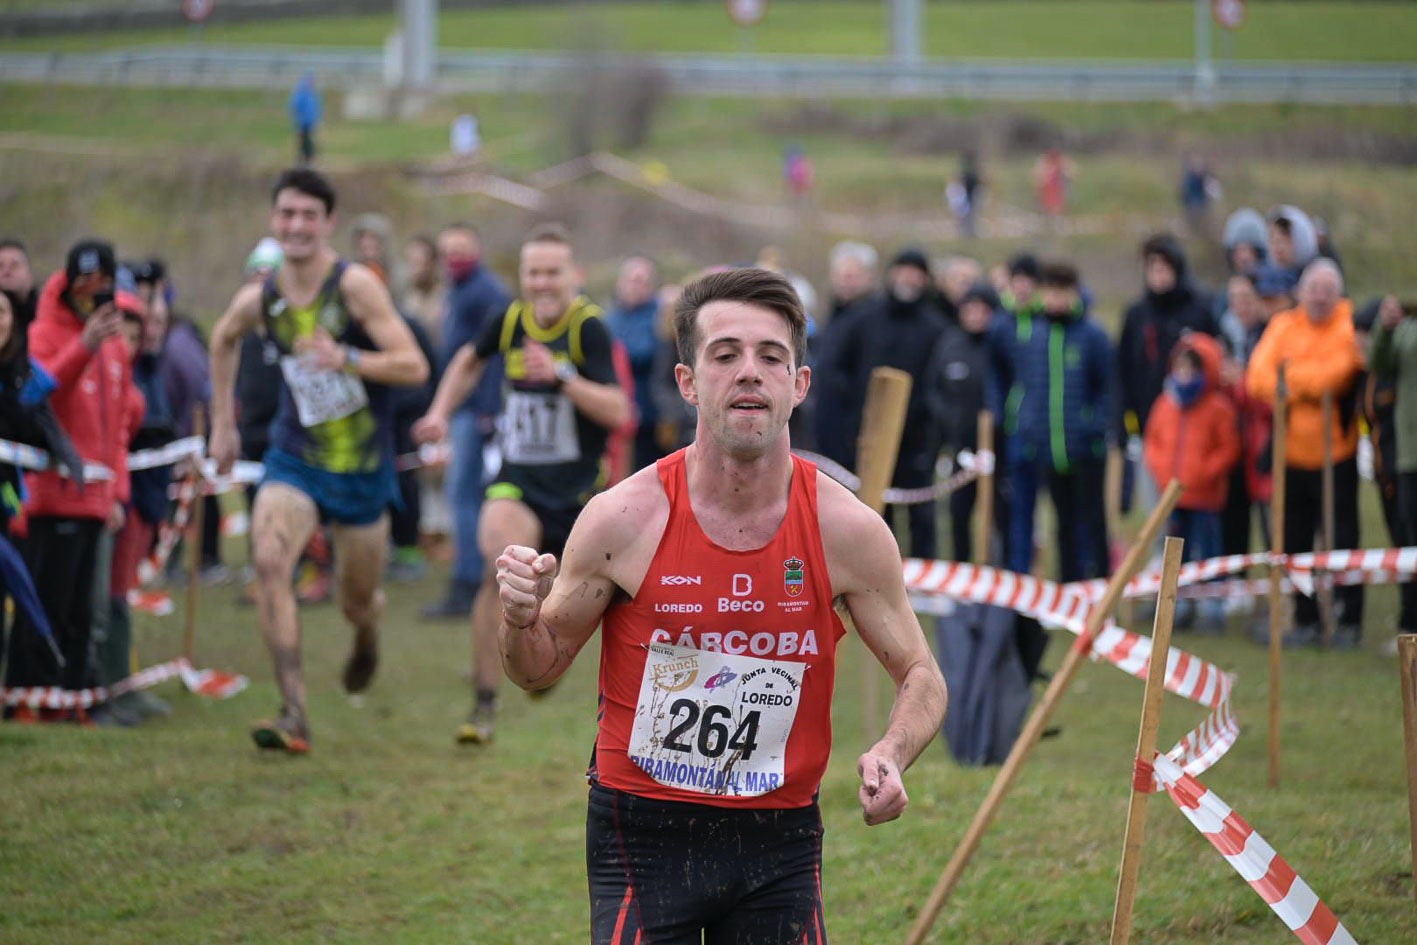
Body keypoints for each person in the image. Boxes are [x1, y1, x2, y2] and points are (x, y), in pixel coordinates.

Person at [493, 267, 947, 943]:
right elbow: (537, 668)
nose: (748, 373)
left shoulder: (846, 531)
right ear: (687, 381)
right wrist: (518, 618)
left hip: (779, 841)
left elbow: (921, 673)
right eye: (724, 354)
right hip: (641, 833)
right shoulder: (623, 517)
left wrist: (891, 750)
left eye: (770, 357)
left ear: (798, 385)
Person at [208, 168, 430, 752]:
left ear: (328, 222)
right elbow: (223, 338)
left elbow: (413, 365)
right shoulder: (264, 296)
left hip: (360, 472)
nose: (296, 225)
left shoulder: (354, 286)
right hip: (295, 459)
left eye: (309, 215)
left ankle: (366, 634)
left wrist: (347, 359)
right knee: (270, 558)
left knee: (355, 601)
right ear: (273, 220)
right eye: (287, 214)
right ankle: (293, 713)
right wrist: (223, 424)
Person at [412, 223, 630, 744]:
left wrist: (561, 377)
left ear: (572, 275)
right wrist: (440, 411)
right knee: (502, 563)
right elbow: (468, 360)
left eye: (553, 272)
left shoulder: (588, 329)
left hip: (578, 494)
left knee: (558, 601)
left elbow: (619, 409)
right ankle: (484, 705)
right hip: (517, 480)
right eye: (534, 272)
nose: (542, 283)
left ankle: (537, 662)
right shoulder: (509, 320)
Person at [5, 240, 143, 722]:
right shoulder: (42, 334)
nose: (92, 296)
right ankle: (30, 700)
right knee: (45, 608)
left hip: (96, 498)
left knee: (86, 615)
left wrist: (117, 492)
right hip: (51, 498)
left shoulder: (115, 347)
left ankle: (76, 701)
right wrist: (81, 346)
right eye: (82, 286)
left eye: (101, 286)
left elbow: (119, 429)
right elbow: (37, 399)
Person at [1245, 259, 1364, 649]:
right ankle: (1307, 617)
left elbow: (1339, 374)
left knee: (1342, 539)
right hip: (1290, 455)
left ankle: (1348, 617)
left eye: (1327, 290)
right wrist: (1302, 383)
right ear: (1301, 291)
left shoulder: (1347, 326)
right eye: (1313, 289)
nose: (1319, 297)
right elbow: (1258, 377)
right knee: (1294, 541)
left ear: (1337, 294)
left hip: (1336, 454)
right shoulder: (1283, 326)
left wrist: (1289, 377)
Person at [818, 248, 949, 558]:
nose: (908, 279)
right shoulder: (863, 319)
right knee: (873, 513)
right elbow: (838, 370)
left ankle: (921, 582)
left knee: (920, 513)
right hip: (869, 436)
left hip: (916, 438)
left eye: (916, 272)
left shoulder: (936, 327)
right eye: (903, 270)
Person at [419, 222, 512, 621]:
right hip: (462, 407)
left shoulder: (487, 292)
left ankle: (470, 580)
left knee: (465, 495)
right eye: (447, 251)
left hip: (477, 410)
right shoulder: (457, 291)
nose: (454, 257)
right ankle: (470, 576)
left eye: (461, 249)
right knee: (463, 494)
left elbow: (492, 356)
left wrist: (488, 410)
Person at [1142, 334, 1241, 632]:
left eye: (1192, 369)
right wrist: (1164, 475)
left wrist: (1203, 473)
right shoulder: (1165, 404)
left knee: (1207, 552)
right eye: (1181, 368)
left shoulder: (1218, 407)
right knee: (1174, 554)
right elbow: (1153, 443)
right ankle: (1177, 606)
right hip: (1173, 497)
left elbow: (1228, 448)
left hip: (1205, 497)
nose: (1185, 375)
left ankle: (1212, 609)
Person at [925, 281, 999, 565]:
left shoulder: (998, 345)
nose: (975, 316)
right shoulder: (950, 343)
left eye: (982, 310)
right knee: (958, 514)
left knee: (998, 516)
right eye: (970, 309)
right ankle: (962, 572)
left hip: (997, 446)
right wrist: (950, 421)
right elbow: (934, 389)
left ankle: (997, 572)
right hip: (960, 447)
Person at [1366, 295, 1416, 654]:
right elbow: (1378, 363)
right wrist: (1385, 328)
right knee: (1410, 542)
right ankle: (1411, 626)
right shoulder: (1407, 328)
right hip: (1410, 455)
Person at [606, 255, 662, 471]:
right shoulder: (612, 317)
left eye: (642, 282)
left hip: (649, 415)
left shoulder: (659, 316)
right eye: (632, 280)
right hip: (617, 413)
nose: (636, 287)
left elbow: (644, 351)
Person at [0, 238, 38, 327]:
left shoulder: (45, 315)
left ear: (30, 277)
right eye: (0, 266)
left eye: (14, 265)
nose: (6, 272)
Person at [288, 73, 322, 165]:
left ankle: (309, 161)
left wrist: (316, 121)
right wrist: (297, 122)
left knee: (310, 143)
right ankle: (301, 161)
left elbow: (316, 109)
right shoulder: (301, 95)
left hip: (310, 123)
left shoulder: (312, 95)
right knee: (302, 142)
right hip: (302, 123)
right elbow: (294, 108)